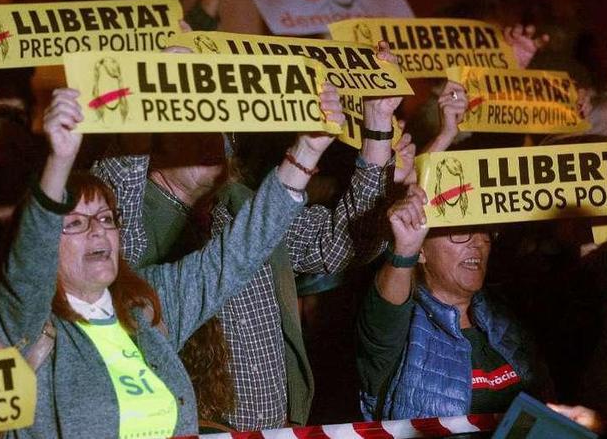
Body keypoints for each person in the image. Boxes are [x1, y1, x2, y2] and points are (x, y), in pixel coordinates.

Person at [0, 86, 337, 438]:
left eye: (106, 218)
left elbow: (238, 252)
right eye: (76, 223)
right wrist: (60, 160)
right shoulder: (28, 320)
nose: (97, 231)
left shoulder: (148, 302)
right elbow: (29, 257)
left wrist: (306, 150)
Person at [93, 44, 404, 430]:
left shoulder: (243, 204)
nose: (214, 135)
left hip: (280, 426)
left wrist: (376, 129)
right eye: (193, 120)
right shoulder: (122, 220)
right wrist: (146, 88)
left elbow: (338, 246)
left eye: (221, 123)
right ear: (156, 137)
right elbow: (117, 181)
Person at [357, 184, 552, 420]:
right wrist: (404, 249)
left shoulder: (506, 319)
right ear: (420, 252)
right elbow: (385, 309)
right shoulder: (400, 329)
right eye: (460, 230)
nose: (478, 242)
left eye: (484, 231)